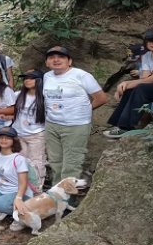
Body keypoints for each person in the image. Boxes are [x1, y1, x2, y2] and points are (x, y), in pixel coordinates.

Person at [43, 46, 107, 181]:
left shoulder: (81, 76)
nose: (56, 60)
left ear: (69, 61)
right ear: (47, 63)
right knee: (55, 163)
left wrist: (83, 111)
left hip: (75, 126)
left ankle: (66, 199)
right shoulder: (47, 76)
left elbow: (101, 98)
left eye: (61, 57)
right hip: (52, 124)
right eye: (51, 57)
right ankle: (55, 196)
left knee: (71, 164)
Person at [12, 70, 47, 190]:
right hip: (19, 133)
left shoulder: (45, 96)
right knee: (21, 161)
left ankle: (37, 189)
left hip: (37, 134)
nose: (27, 80)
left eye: (31, 78)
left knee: (37, 162)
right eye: (25, 78)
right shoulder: (17, 95)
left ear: (39, 80)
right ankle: (22, 188)